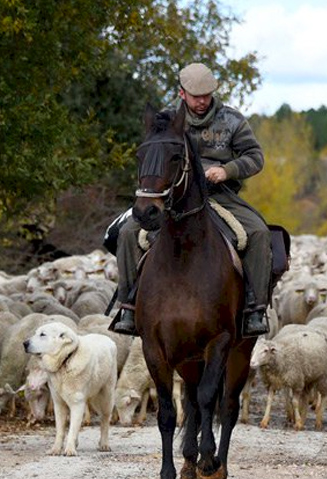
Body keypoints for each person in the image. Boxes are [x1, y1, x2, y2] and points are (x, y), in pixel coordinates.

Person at [112, 62, 272, 338]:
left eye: (207, 95)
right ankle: (128, 305)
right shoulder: (165, 120)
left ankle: (254, 309)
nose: (202, 101)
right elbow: (153, 155)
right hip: (172, 197)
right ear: (182, 93)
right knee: (127, 233)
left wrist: (227, 170)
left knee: (259, 233)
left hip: (219, 194)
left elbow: (255, 157)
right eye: (196, 96)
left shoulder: (232, 120)